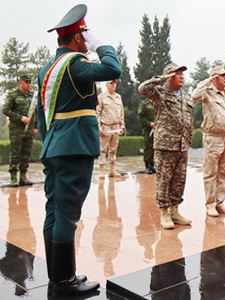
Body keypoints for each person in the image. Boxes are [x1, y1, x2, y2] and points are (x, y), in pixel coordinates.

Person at [36, 4, 121, 297]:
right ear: (77, 39)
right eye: (85, 36)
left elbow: (41, 115)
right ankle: (65, 281)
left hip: (54, 146)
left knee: (54, 210)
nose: (88, 41)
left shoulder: (47, 69)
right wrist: (103, 46)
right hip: (75, 148)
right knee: (68, 214)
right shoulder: (75, 64)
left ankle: (58, 275)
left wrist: (50, 144)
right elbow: (113, 69)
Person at [138, 63, 193, 229]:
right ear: (169, 76)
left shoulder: (185, 96)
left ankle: (175, 211)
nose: (181, 76)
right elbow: (142, 88)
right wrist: (162, 79)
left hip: (182, 145)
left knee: (179, 181)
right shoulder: (159, 93)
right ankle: (164, 212)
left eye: (182, 73)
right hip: (165, 145)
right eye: (177, 73)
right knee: (164, 180)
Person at [192, 65, 225, 217]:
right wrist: (207, 81)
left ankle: (220, 202)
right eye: (222, 75)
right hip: (213, 137)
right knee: (211, 173)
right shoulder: (207, 93)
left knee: (224, 172)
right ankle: (210, 204)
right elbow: (194, 95)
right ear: (214, 78)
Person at [2, 75, 38, 186]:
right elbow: (5, 110)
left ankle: (23, 177)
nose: (29, 84)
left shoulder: (33, 96)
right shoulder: (13, 95)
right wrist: (20, 118)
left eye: (30, 82)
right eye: (26, 82)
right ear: (20, 83)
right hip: (16, 129)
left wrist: (35, 127)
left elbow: (35, 113)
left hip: (29, 129)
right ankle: (13, 178)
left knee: (26, 154)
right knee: (15, 154)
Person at [97, 79, 125, 178]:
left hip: (116, 125)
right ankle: (101, 171)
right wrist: (99, 127)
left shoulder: (118, 97)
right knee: (103, 149)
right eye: (111, 83)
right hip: (106, 125)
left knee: (113, 149)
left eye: (115, 83)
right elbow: (98, 113)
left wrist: (122, 126)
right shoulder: (101, 97)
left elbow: (121, 112)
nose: (114, 85)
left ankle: (112, 170)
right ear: (106, 84)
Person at [137, 98, 156, 174]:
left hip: (158, 128)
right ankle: (148, 166)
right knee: (148, 146)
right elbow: (140, 117)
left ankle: (153, 165)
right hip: (148, 129)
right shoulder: (144, 104)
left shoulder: (158, 102)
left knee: (156, 147)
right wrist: (149, 124)